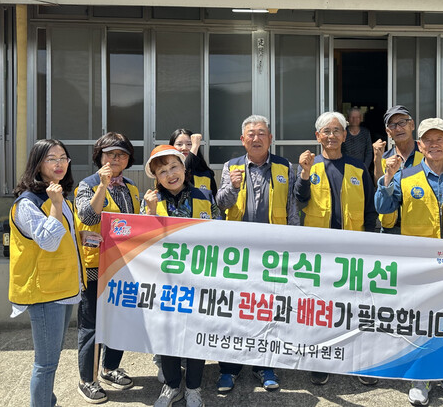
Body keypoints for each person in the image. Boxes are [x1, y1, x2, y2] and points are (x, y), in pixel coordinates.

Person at [374, 118, 443, 406]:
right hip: (420, 264)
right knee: (421, 321)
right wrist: (388, 178)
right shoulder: (406, 176)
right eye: (427, 140)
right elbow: (384, 208)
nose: (434, 144)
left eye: (439, 139)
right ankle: (420, 378)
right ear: (419, 146)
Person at [214, 115, 299, 393]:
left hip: (274, 252)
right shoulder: (232, 166)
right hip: (238, 254)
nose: (256, 138)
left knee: (268, 309)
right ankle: (229, 368)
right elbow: (220, 204)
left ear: (270, 138)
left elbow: (292, 207)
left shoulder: (285, 166)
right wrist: (232, 186)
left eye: (262, 133)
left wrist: (294, 245)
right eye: (251, 134)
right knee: (235, 309)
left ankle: (265, 366)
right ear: (243, 140)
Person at [295, 111, 378, 387]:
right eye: (326, 131)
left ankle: (360, 362)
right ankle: (320, 361)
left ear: (344, 135)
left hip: (353, 251)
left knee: (356, 308)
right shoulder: (309, 166)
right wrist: (304, 173)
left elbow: (369, 209)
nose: (331, 136)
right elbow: (299, 199)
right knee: (320, 307)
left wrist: (370, 241)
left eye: (336, 131)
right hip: (319, 253)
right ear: (317, 136)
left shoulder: (357, 167)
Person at [8, 139, 85, 407]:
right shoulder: (27, 203)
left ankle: (46, 402)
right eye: (51, 158)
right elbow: (49, 242)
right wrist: (56, 204)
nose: (59, 163)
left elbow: (64, 236)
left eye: (63, 158)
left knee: (52, 358)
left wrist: (83, 236)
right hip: (44, 292)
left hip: (63, 287)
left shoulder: (59, 197)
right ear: (38, 164)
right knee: (45, 363)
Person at [143, 145, 220, 407]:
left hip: (199, 281)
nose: (170, 174)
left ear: (184, 169)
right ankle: (172, 385)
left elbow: (221, 234)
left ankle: (194, 388)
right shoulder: (152, 201)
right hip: (164, 282)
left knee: (195, 335)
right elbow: (142, 242)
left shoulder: (204, 196)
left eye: (174, 167)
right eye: (162, 171)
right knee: (166, 335)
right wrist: (150, 213)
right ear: (156, 177)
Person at [74, 132, 140, 403]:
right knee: (91, 324)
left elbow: (137, 225)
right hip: (95, 265)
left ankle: (110, 367)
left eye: (122, 154)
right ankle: (87, 380)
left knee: (120, 318)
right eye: (110, 154)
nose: (116, 159)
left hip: (125, 265)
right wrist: (102, 185)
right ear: (99, 157)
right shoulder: (87, 185)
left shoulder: (131, 188)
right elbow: (88, 216)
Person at [372, 105, 424, 234]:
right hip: (390, 228)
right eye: (393, 125)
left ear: (412, 125)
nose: (398, 128)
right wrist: (377, 160)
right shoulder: (385, 157)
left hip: (419, 226)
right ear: (388, 132)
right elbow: (379, 186)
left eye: (402, 122)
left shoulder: (426, 156)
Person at [170, 129, 217, 196]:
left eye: (189, 144)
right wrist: (194, 147)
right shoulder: (167, 173)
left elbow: (214, 199)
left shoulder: (206, 174)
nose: (184, 148)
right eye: (179, 144)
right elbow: (184, 172)